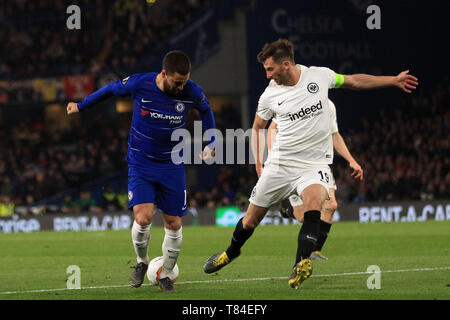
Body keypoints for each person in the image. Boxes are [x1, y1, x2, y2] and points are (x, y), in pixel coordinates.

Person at [203, 39, 418, 289]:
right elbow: (257, 128)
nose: (268, 74)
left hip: (313, 165)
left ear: (286, 65)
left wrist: (392, 80)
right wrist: (259, 163)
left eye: (270, 69)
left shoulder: (320, 76)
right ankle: (231, 251)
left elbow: (354, 80)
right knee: (251, 220)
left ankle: (301, 263)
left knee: (316, 204)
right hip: (280, 164)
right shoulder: (270, 95)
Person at [67, 50, 216, 292]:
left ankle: (166, 273)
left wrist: (212, 142)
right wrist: (81, 106)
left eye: (185, 82)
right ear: (164, 73)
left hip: (172, 164)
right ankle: (141, 262)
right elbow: (110, 90)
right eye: (177, 82)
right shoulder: (141, 83)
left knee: (174, 223)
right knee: (143, 217)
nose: (181, 88)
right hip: (141, 162)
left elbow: (206, 112)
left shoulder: (191, 91)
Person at [267, 99, 363, 260]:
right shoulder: (294, 99)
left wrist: (351, 160)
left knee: (331, 205)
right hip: (294, 165)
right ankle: (287, 209)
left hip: (319, 164)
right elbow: (272, 129)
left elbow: (334, 135)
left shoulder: (329, 105)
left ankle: (314, 251)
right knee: (302, 217)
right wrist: (273, 156)